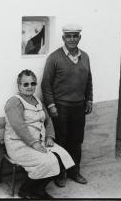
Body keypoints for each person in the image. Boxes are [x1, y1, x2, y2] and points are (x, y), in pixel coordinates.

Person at [4, 69, 75, 199]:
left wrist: (49, 136)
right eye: (25, 84)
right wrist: (34, 144)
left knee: (62, 158)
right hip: (19, 145)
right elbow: (19, 127)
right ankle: (25, 190)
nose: (30, 87)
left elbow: (47, 120)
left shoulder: (37, 100)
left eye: (33, 83)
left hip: (39, 142)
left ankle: (38, 189)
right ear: (19, 86)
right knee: (48, 161)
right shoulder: (14, 102)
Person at [41, 24, 93, 187]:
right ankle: (60, 173)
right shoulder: (54, 58)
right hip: (60, 108)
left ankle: (74, 171)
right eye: (68, 36)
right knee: (61, 141)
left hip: (79, 107)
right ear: (63, 38)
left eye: (75, 36)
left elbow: (89, 80)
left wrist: (89, 99)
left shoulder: (85, 56)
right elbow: (45, 84)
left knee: (76, 141)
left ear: (79, 38)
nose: (72, 39)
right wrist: (51, 106)